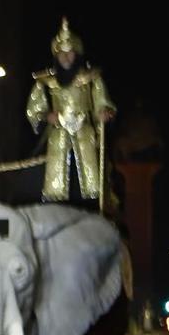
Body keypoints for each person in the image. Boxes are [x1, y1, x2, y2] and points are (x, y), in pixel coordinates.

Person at [25, 17, 115, 205]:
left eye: (70, 53)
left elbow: (102, 102)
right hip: (58, 135)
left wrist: (104, 113)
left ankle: (91, 203)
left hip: (85, 134)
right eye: (62, 53)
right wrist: (45, 116)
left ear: (77, 54)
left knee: (90, 176)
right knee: (53, 174)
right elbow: (34, 109)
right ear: (56, 56)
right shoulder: (45, 81)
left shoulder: (91, 79)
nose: (66, 57)